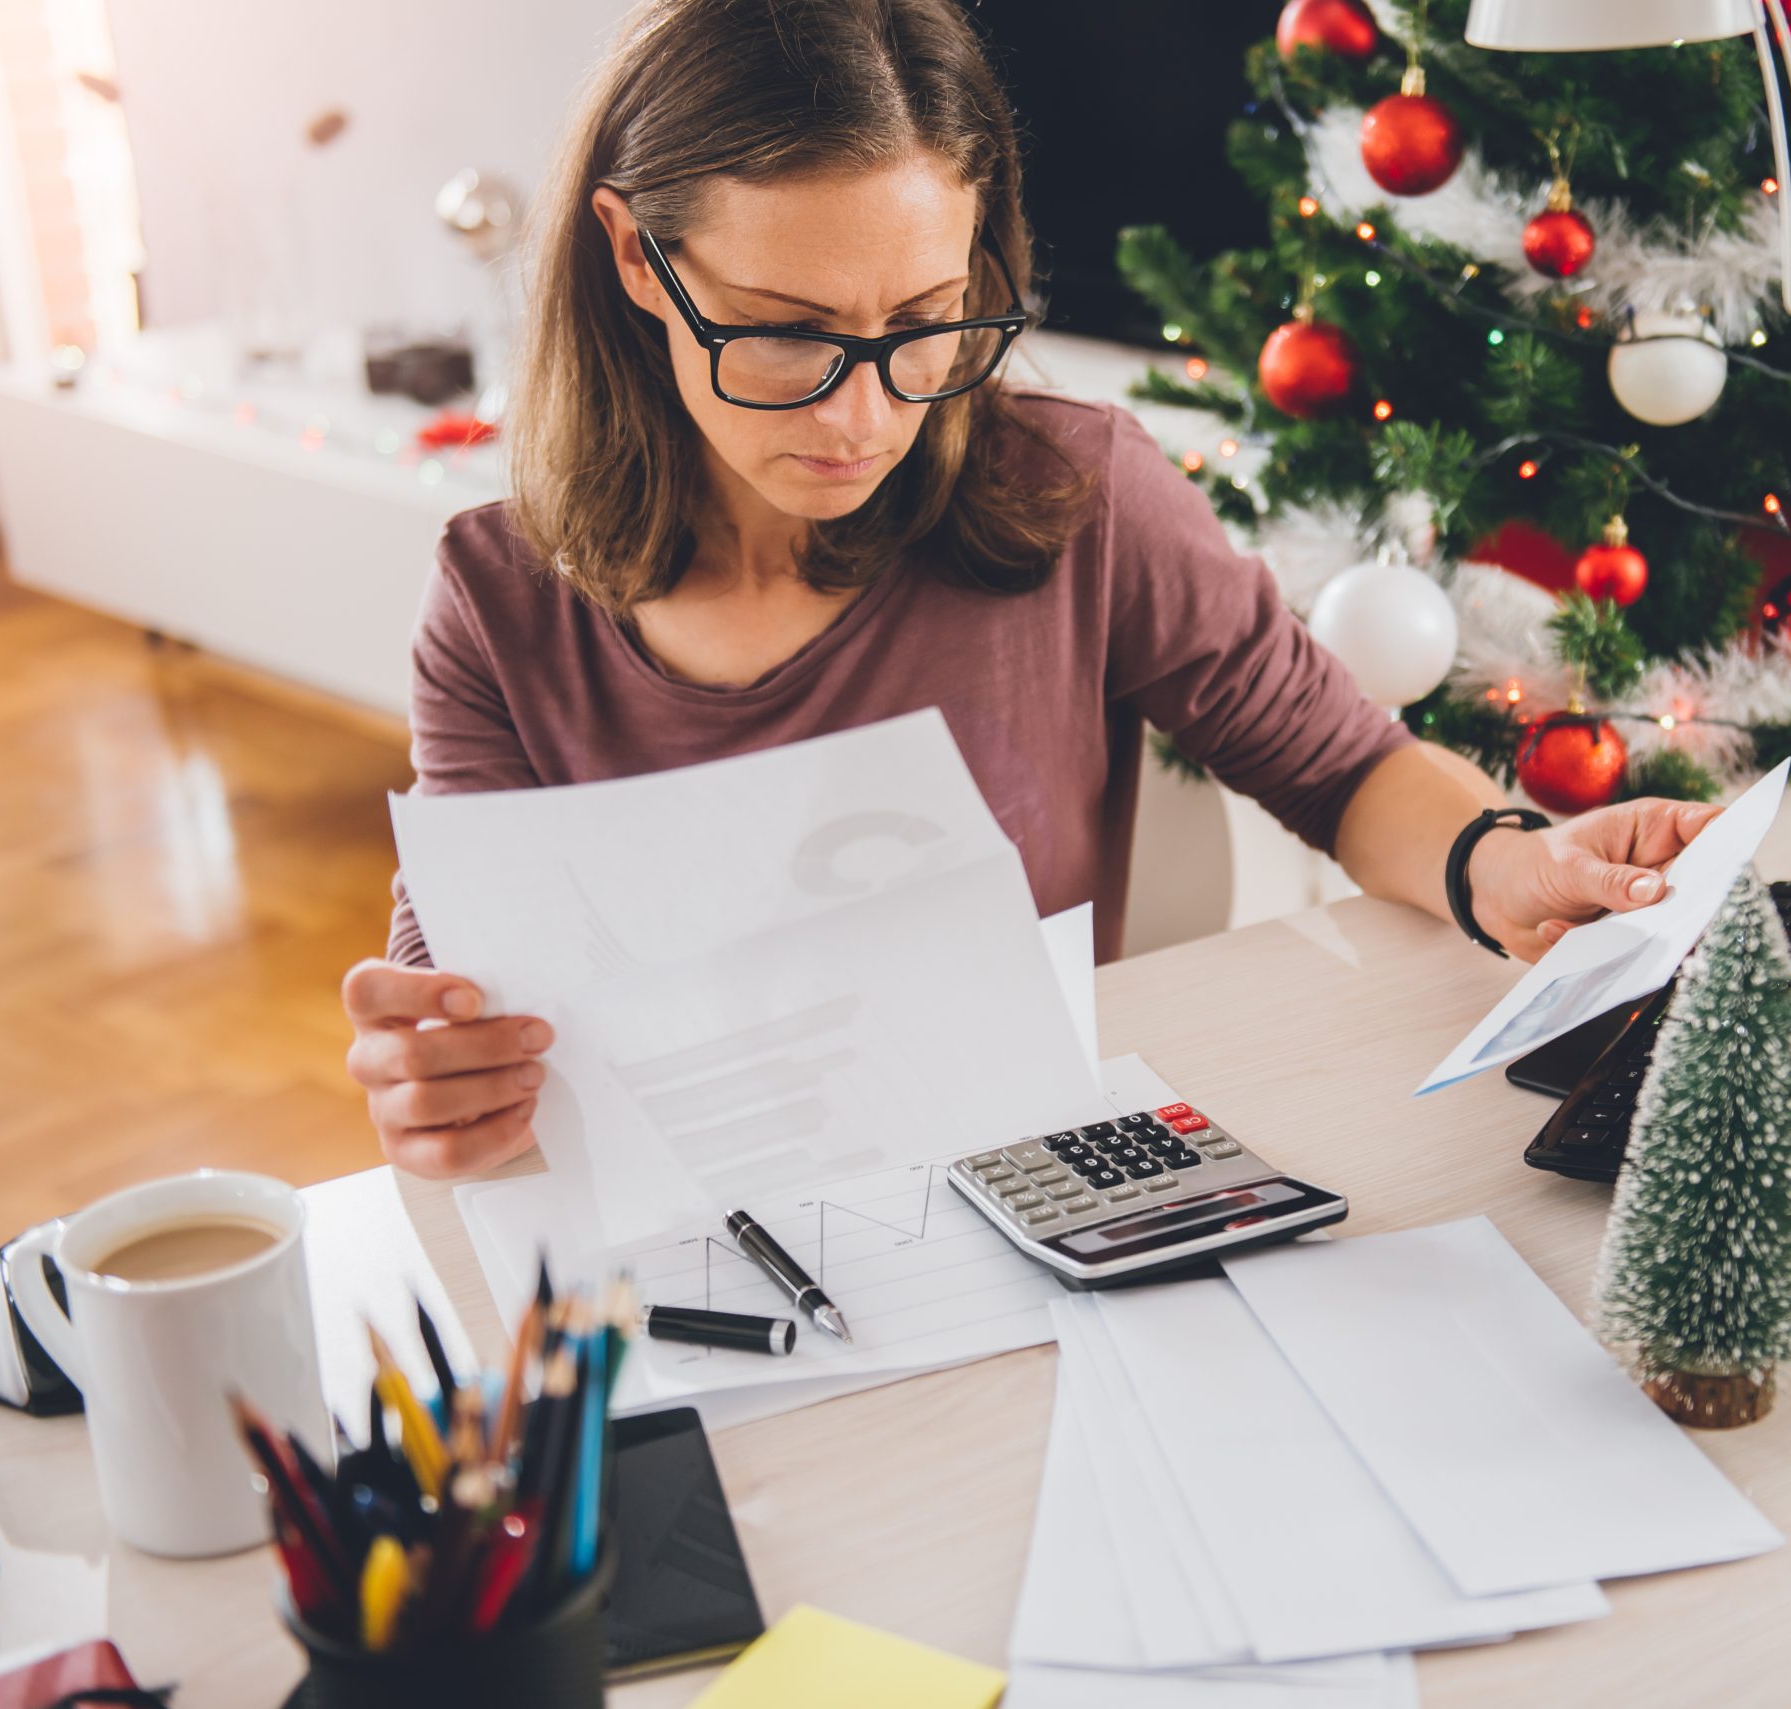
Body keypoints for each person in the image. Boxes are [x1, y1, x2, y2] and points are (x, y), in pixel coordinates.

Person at [343, 0, 1718, 1179]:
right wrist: (438, 1079)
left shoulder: (1082, 496)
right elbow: (464, 1011)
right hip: (697, 1234)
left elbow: (1346, 770)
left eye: (925, 323)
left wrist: (1513, 863)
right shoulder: (498, 604)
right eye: (789, 336)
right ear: (639, 257)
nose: (867, 417)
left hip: (1029, 1195)